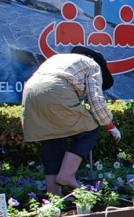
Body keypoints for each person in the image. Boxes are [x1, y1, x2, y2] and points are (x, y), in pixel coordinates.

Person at [21, 45, 120, 195]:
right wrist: (110, 126)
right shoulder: (92, 65)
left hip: (30, 92)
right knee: (90, 130)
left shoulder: (58, 59)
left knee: (51, 137)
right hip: (56, 90)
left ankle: (54, 196)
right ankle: (67, 174)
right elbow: (96, 100)